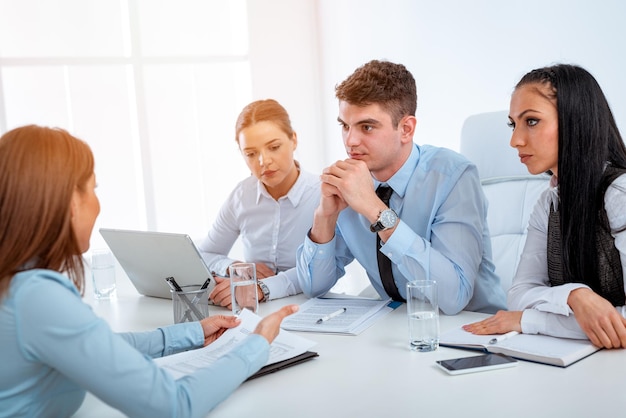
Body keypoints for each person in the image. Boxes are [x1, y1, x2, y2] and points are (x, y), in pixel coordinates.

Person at [0, 125, 298, 417]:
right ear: (70, 202)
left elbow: (101, 345)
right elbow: (173, 404)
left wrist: (193, 332)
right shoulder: (37, 297)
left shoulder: (16, 283)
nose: (98, 203)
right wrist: (257, 345)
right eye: (93, 189)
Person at [296, 60, 506, 314]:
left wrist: (375, 210)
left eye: (367, 127)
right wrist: (325, 217)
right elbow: (313, 287)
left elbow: (453, 298)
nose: (350, 141)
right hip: (397, 328)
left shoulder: (454, 177)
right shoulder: (351, 182)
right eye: (345, 126)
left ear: (406, 129)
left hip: (468, 332)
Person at [463, 64, 626, 349]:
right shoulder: (548, 202)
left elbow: (619, 326)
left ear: (576, 121)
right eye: (513, 124)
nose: (515, 141)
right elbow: (520, 293)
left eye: (532, 121)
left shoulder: (619, 195)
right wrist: (574, 296)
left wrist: (528, 321)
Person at [198, 99, 320, 308]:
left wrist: (262, 288)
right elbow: (204, 253)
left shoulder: (322, 195)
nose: (263, 161)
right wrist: (235, 267)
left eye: (273, 147)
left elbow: (319, 270)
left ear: (294, 140)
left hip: (311, 308)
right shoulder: (242, 195)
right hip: (254, 309)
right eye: (251, 154)